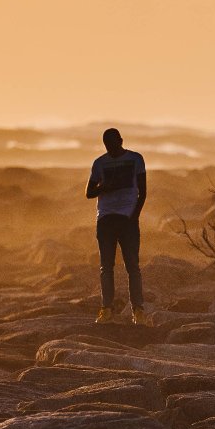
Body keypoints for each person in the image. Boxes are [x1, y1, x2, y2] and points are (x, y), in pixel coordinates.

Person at [86, 127, 149, 325]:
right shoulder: (99, 163)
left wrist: (134, 215)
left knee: (133, 266)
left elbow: (143, 191)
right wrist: (105, 187)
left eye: (113, 144)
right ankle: (107, 309)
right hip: (105, 217)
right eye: (107, 145)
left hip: (127, 218)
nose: (110, 148)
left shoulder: (136, 159)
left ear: (121, 140)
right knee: (107, 266)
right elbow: (89, 192)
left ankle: (138, 311)